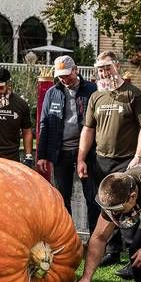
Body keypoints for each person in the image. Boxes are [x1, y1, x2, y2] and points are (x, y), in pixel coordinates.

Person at [77, 51, 141, 273]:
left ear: (116, 66)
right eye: (100, 69)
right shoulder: (96, 97)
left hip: (126, 162)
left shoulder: (133, 94)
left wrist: (138, 156)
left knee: (128, 210)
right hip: (101, 161)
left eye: (107, 67)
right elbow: (88, 129)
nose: (104, 72)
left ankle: (134, 258)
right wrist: (81, 158)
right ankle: (112, 251)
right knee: (105, 208)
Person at [37, 56, 99, 222]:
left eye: (67, 75)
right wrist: (41, 154)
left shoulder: (92, 90)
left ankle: (94, 238)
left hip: (87, 153)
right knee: (62, 198)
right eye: (60, 76)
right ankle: (69, 238)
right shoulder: (52, 93)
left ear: (76, 70)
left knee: (92, 197)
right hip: (60, 153)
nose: (64, 79)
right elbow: (44, 123)